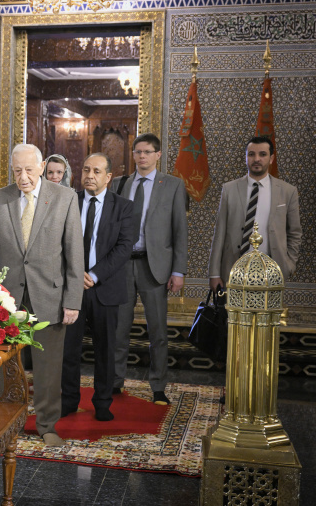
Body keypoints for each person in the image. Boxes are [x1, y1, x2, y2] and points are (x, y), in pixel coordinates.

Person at [0, 143, 83, 447]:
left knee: (48, 367)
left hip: (50, 296)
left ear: (41, 168)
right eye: (16, 170)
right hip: (8, 298)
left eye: (28, 170)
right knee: (8, 365)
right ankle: (8, 420)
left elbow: (74, 254)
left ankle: (47, 424)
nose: (23, 177)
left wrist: (72, 300)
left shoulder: (65, 198)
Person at [110, 133, 188, 405]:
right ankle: (115, 382)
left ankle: (158, 386)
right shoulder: (121, 184)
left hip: (155, 268)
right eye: (138, 151)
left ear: (158, 155)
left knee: (157, 332)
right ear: (133, 154)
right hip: (122, 267)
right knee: (119, 329)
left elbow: (180, 231)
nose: (142, 156)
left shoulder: (173, 186)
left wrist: (178, 271)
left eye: (147, 152)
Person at [61, 153, 133, 422]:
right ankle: (68, 400)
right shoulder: (69, 201)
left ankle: (103, 402)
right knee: (70, 349)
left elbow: (125, 246)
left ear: (108, 177)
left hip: (106, 288)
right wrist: (75, 273)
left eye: (97, 171)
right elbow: (59, 240)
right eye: (86, 169)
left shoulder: (124, 207)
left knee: (105, 349)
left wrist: (94, 274)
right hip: (72, 288)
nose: (90, 175)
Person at [209, 136, 301, 288]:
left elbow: (295, 233)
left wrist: (289, 265)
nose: (256, 159)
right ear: (246, 158)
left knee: (268, 312)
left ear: (271, 158)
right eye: (251, 154)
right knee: (233, 312)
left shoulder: (287, 191)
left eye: (262, 154)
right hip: (234, 271)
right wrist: (214, 273)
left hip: (272, 273)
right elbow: (219, 233)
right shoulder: (229, 189)